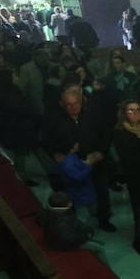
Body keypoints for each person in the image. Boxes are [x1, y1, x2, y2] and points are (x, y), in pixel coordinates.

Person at [41, 88, 115, 231]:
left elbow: (106, 134)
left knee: (101, 190)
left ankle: (103, 219)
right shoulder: (54, 120)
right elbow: (47, 141)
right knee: (74, 194)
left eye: (76, 103)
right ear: (62, 104)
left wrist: (100, 152)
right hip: (73, 165)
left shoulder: (93, 116)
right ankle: (77, 224)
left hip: (96, 161)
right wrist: (57, 153)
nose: (73, 107)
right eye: (69, 105)